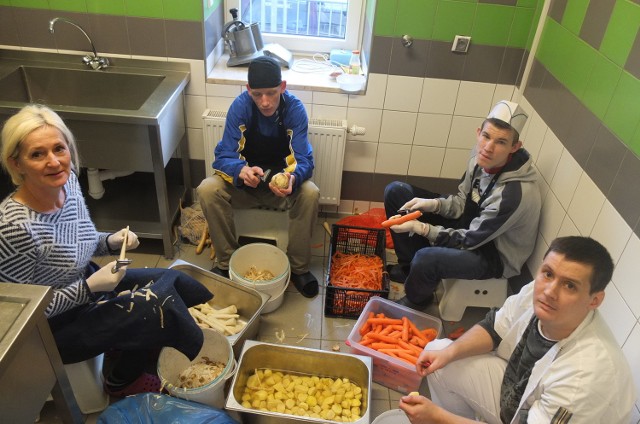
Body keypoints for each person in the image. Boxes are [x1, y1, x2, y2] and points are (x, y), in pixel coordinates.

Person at [0, 104, 213, 397]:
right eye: (37, 154)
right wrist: (88, 289)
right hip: (52, 330)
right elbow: (23, 316)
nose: (54, 162)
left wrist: (110, 241)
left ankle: (138, 345)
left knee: (168, 278)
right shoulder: (14, 228)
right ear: (16, 164)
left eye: (59, 149)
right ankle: (123, 380)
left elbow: (82, 240)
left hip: (84, 286)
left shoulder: (68, 184)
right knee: (154, 307)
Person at [398, 236, 636, 423]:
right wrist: (449, 353)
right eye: (548, 273)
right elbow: (494, 327)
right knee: (440, 354)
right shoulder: (540, 292)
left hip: (545, 413)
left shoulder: (583, 378)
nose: (550, 291)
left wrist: (440, 419)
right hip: (516, 399)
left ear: (595, 300)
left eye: (570, 285)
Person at [385, 100, 541, 310]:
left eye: (501, 142)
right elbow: (461, 203)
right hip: (472, 227)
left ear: (515, 147)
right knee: (397, 192)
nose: (488, 147)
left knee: (426, 258)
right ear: (479, 132)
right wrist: (432, 204)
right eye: (486, 136)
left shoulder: (514, 194)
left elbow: (470, 240)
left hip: (493, 254)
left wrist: (422, 228)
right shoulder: (479, 158)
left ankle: (418, 298)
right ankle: (409, 268)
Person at [197, 55, 320, 298]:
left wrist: (291, 179)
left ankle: (298, 268)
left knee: (311, 193)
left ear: (282, 87)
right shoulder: (241, 107)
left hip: (280, 188)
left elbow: (305, 160)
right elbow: (222, 156)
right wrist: (239, 171)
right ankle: (227, 262)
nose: (265, 102)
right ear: (249, 90)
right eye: (258, 95)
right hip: (246, 185)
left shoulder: (294, 109)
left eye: (272, 93)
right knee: (207, 189)